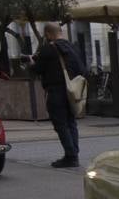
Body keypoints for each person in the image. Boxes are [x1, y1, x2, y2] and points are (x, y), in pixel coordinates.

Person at [29, 22, 84, 168]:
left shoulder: (48, 49)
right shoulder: (72, 47)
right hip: (72, 91)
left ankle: (70, 156)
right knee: (71, 122)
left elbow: (37, 69)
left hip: (55, 91)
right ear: (61, 32)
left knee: (61, 124)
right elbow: (81, 68)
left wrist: (31, 63)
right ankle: (74, 153)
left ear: (47, 34)